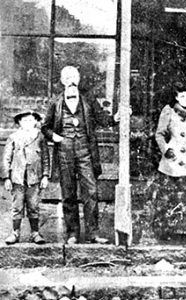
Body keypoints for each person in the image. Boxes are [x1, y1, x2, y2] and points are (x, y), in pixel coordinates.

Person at [41, 66, 119, 244]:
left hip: (85, 151)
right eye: (67, 77)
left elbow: (102, 119)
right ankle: (72, 233)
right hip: (64, 152)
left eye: (74, 76)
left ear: (79, 79)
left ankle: (93, 233)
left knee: (91, 191)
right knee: (68, 193)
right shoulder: (55, 101)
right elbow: (45, 127)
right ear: (62, 81)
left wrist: (116, 118)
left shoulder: (88, 99)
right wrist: (55, 137)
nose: (71, 80)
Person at [153, 81, 186, 239]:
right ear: (176, 97)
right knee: (173, 194)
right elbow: (159, 134)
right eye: (182, 96)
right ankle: (170, 231)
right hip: (173, 159)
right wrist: (166, 149)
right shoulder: (168, 112)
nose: (185, 99)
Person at [2, 110, 50, 245]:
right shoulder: (13, 137)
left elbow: (45, 158)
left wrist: (45, 176)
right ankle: (15, 232)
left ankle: (35, 232)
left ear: (35, 122)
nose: (28, 123)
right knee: (17, 206)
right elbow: (6, 158)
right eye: (24, 120)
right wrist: (6, 177)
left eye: (30, 120)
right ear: (19, 123)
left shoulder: (39, 137)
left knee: (33, 206)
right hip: (17, 178)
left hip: (34, 178)